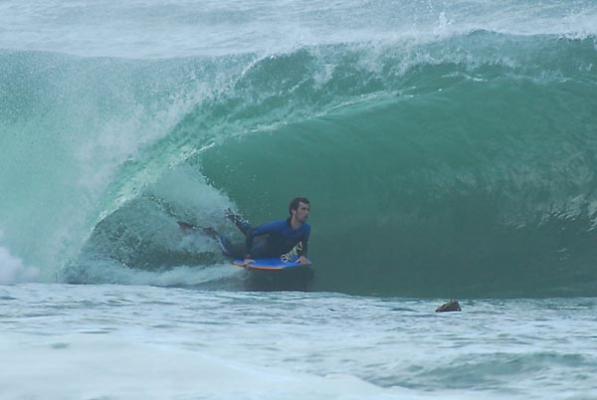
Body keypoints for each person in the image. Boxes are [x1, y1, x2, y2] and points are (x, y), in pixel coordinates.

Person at [211, 197, 311, 265]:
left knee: (250, 230)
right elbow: (251, 234)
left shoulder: (306, 228)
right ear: (293, 211)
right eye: (303, 209)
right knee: (228, 251)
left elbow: (303, 243)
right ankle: (212, 232)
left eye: (308, 209)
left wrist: (303, 256)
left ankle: (229, 213)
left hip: (265, 241)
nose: (307, 213)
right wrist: (247, 257)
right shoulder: (278, 226)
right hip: (258, 249)